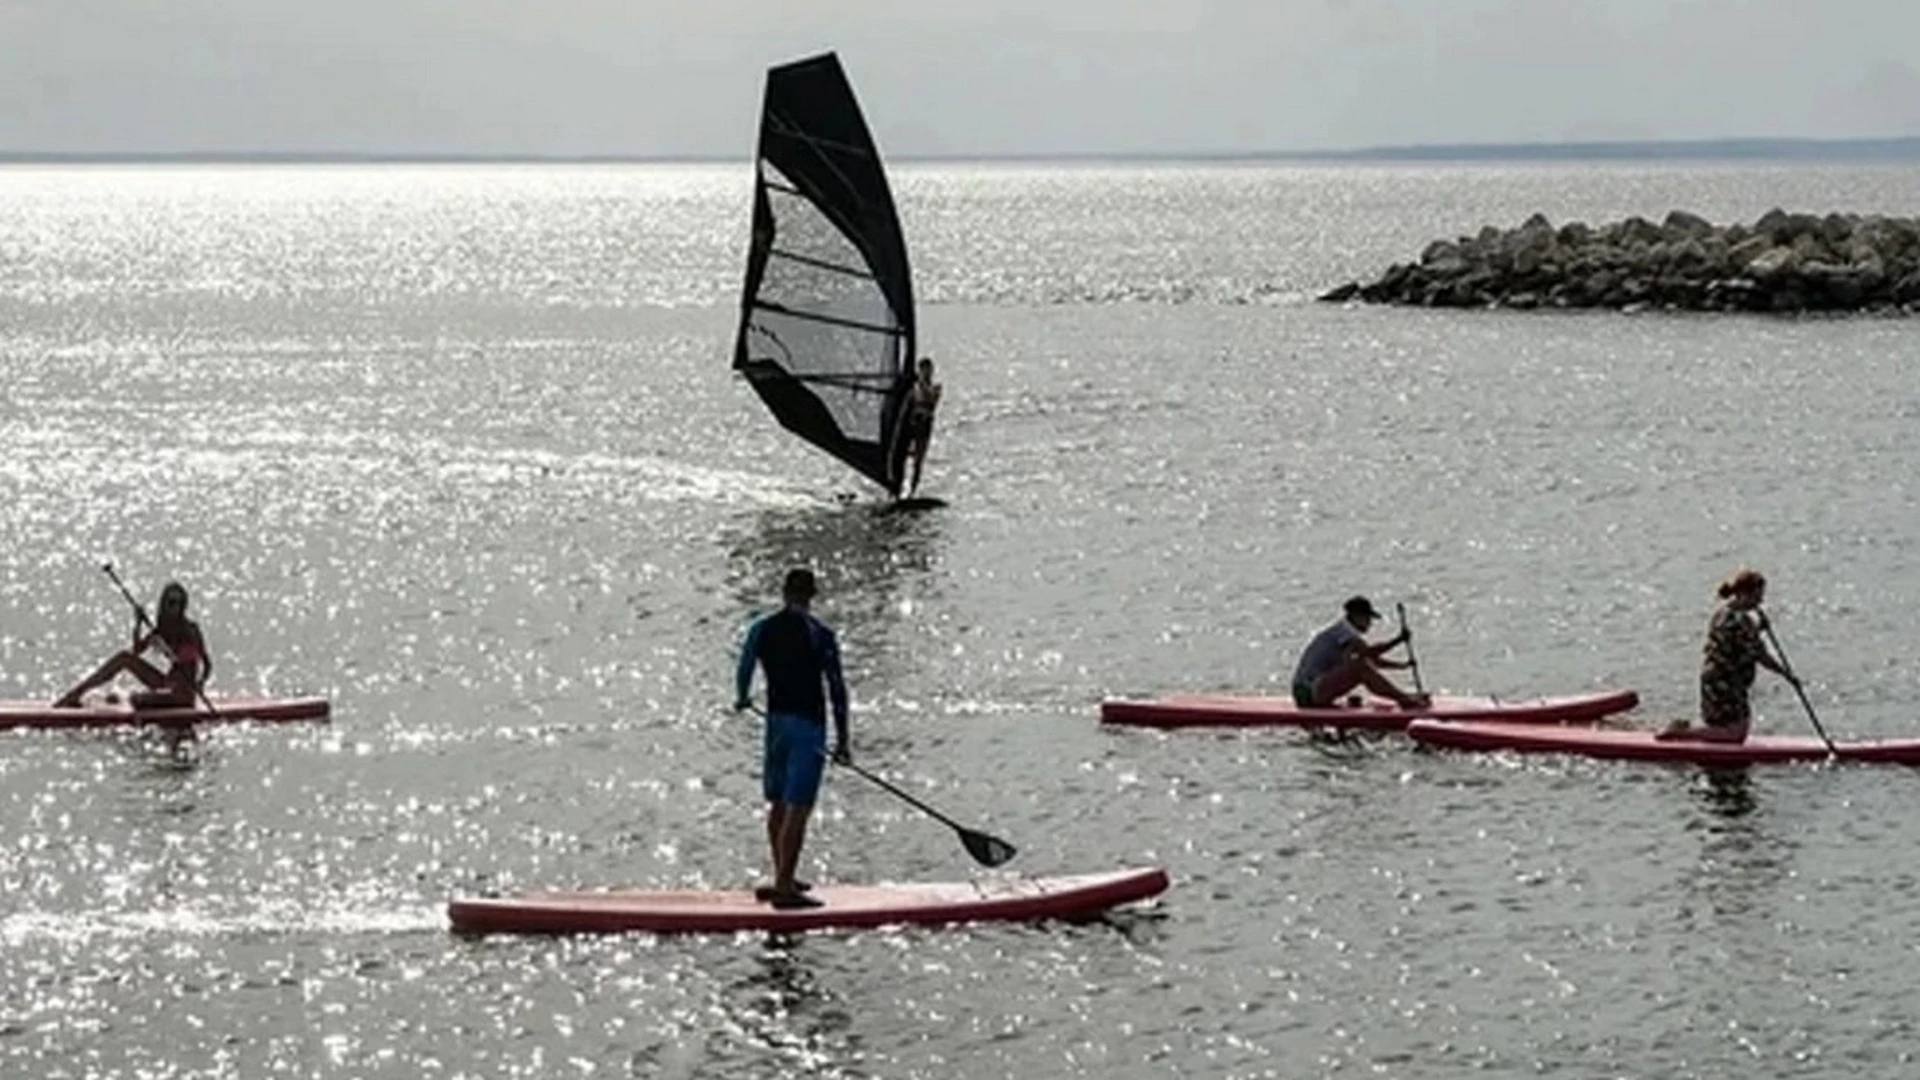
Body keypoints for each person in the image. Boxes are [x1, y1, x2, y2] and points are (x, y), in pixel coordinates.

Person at [733, 567, 851, 909]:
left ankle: (782, 875)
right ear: (812, 595)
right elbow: (837, 690)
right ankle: (785, 887)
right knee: (799, 807)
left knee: (778, 803)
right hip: (808, 728)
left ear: (784, 592)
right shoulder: (821, 634)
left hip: (776, 725)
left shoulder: (762, 628)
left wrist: (742, 696)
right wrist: (843, 741)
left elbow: (744, 666)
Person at [1658, 567, 1797, 743]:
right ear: (1743, 594)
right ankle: (1682, 733)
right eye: (1757, 596)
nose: (1760, 601)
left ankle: (1687, 729)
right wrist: (1786, 674)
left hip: (1713, 679)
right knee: (1735, 735)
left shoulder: (1722, 613)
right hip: (1726, 682)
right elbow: (1760, 655)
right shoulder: (1742, 621)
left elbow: (1735, 641)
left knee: (1721, 728)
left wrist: (1758, 629)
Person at [55, 581, 212, 709]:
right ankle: (75, 695)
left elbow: (207, 664)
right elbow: (136, 652)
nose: (174, 607)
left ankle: (130, 702)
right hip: (167, 684)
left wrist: (200, 683)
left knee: (137, 700)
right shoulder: (160, 631)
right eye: (170, 603)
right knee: (124, 658)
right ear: (164, 605)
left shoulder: (191, 630)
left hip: (182, 695)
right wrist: (138, 625)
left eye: (178, 603)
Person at [1290, 596, 1429, 709]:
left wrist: (1402, 665)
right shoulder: (1344, 632)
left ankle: (1403, 698)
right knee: (1359, 666)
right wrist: (1398, 640)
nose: (1370, 623)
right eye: (1367, 618)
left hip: (1314, 690)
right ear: (1356, 616)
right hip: (1307, 692)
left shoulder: (1346, 634)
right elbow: (1370, 653)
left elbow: (1371, 661)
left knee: (1360, 665)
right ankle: (1404, 700)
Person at [900, 357, 942, 497]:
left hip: (924, 425)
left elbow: (931, 397)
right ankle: (898, 485)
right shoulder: (913, 387)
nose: (927, 372)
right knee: (902, 454)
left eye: (928, 370)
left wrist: (921, 381)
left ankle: (912, 491)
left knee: (919, 460)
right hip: (911, 423)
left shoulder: (936, 387)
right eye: (923, 370)